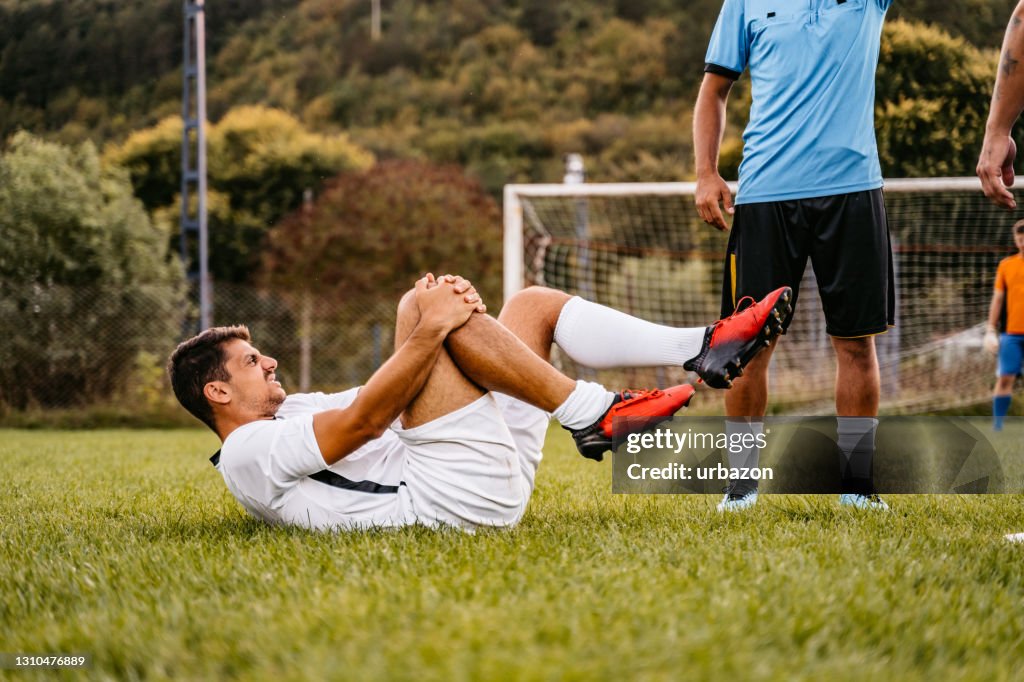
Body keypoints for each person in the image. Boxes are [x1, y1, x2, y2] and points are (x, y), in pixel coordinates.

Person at [167, 274, 791, 531]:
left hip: (470, 467)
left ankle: (703, 347)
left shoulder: (294, 408)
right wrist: (431, 316)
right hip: (448, 501)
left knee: (530, 304)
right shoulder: (248, 451)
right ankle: (595, 412)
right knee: (421, 308)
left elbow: (396, 382)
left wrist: (451, 308)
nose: (269, 361)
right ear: (216, 392)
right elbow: (367, 419)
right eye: (252, 362)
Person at [693, 0, 896, 511]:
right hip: (764, 195)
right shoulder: (743, 3)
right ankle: (740, 489)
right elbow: (714, 89)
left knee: (855, 343)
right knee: (747, 347)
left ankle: (856, 488)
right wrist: (705, 172)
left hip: (852, 190)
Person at [983, 221, 1024, 431]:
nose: (1023, 243)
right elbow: (998, 299)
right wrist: (990, 329)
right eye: (1019, 239)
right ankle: (997, 426)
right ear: (1016, 240)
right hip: (1012, 334)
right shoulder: (1006, 265)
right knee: (1005, 377)